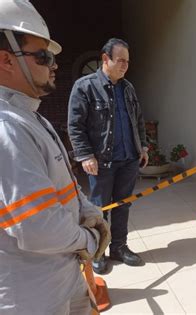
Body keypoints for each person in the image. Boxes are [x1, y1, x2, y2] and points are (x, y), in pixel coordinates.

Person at [0, 1, 110, 314]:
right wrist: (89, 240)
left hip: (61, 278)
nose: (54, 64)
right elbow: (37, 227)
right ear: (6, 59)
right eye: (43, 56)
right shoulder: (6, 128)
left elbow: (65, 186)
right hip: (32, 297)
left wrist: (89, 211)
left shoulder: (30, 118)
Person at [68, 37, 148, 274]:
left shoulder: (128, 87)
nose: (124, 65)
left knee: (123, 206)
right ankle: (98, 252)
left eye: (127, 61)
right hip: (101, 162)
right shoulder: (85, 86)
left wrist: (142, 147)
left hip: (129, 159)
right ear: (106, 59)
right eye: (120, 60)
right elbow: (75, 126)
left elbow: (138, 120)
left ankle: (119, 248)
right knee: (99, 208)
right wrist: (85, 155)